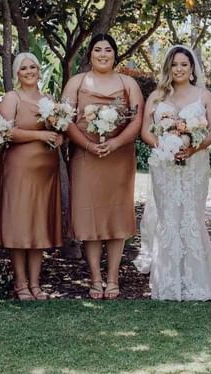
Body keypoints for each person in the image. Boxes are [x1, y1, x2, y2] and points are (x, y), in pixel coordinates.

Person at [135, 45, 211, 300]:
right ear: (168, 68)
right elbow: (146, 130)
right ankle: (167, 281)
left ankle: (195, 280)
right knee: (168, 217)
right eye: (174, 65)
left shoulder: (204, 96)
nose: (179, 69)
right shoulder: (157, 96)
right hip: (164, 166)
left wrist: (194, 147)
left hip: (194, 165)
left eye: (184, 65)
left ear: (192, 69)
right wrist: (163, 146)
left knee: (191, 215)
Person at [62, 34, 144, 300]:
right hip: (86, 157)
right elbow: (66, 119)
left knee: (116, 215)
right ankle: (95, 278)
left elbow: (137, 118)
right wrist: (87, 145)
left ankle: (113, 277)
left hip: (118, 157)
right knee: (90, 216)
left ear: (115, 54)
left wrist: (117, 142)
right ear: (90, 54)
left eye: (108, 50)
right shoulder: (76, 82)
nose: (103, 54)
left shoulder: (127, 83)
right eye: (98, 50)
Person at [0, 52, 63, 301]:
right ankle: (21, 284)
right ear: (16, 73)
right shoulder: (12, 98)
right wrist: (39, 136)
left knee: (38, 225)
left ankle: (36, 284)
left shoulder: (48, 99)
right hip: (19, 169)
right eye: (23, 68)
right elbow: (4, 131)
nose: (29, 71)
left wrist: (59, 136)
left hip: (46, 171)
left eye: (33, 67)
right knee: (19, 224)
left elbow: (58, 131)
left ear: (39, 69)